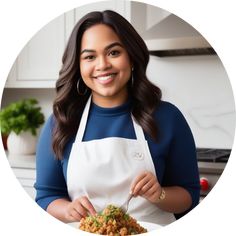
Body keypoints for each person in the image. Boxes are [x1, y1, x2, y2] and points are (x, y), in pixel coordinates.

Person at [34, 10, 200, 226]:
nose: (102, 65)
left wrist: (159, 194)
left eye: (113, 52)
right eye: (90, 57)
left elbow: (189, 196)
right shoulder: (61, 122)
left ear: (131, 57)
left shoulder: (167, 117)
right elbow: (46, 196)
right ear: (78, 66)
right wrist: (68, 209)